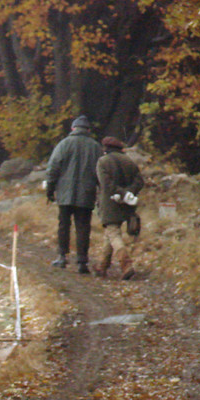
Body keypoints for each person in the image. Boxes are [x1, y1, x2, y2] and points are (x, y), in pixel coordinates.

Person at [45, 115, 102, 273]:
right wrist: (101, 192)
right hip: (87, 193)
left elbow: (53, 168)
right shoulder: (95, 147)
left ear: (73, 128)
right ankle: (82, 262)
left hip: (64, 194)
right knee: (83, 227)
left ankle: (62, 257)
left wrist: (50, 190)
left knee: (64, 225)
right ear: (88, 130)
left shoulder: (64, 144)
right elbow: (101, 172)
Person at [94, 136, 144, 280]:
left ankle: (126, 265)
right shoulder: (129, 161)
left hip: (110, 203)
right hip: (127, 205)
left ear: (106, 148)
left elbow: (106, 184)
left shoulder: (102, 162)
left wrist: (121, 193)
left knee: (113, 234)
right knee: (110, 234)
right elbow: (140, 181)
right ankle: (102, 266)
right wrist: (129, 193)